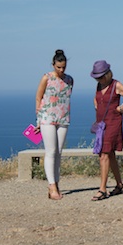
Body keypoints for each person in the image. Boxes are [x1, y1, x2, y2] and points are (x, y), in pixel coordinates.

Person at [35, 49, 74, 200]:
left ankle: (56, 183)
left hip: (63, 118)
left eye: (63, 67)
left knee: (58, 152)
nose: (61, 70)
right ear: (53, 65)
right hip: (47, 118)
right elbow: (38, 98)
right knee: (50, 151)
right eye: (58, 67)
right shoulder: (46, 78)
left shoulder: (70, 79)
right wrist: (38, 120)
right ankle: (52, 186)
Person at [90, 60, 123, 201]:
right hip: (102, 123)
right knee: (110, 154)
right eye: (97, 77)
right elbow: (96, 101)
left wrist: (122, 108)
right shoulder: (99, 86)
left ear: (107, 74)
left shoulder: (116, 85)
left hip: (113, 122)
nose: (98, 79)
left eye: (100, 76)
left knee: (104, 154)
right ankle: (119, 184)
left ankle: (102, 189)